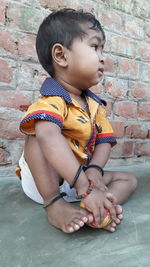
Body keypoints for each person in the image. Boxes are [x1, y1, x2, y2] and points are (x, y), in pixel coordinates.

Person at [17, 8, 137, 233]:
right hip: (46, 183)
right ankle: (54, 205)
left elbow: (103, 141)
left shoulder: (94, 105)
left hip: (81, 180)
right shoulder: (52, 101)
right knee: (39, 132)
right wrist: (84, 186)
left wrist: (93, 171)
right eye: (94, 47)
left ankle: (101, 207)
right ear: (61, 56)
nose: (102, 57)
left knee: (129, 180)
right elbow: (48, 136)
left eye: (102, 49)